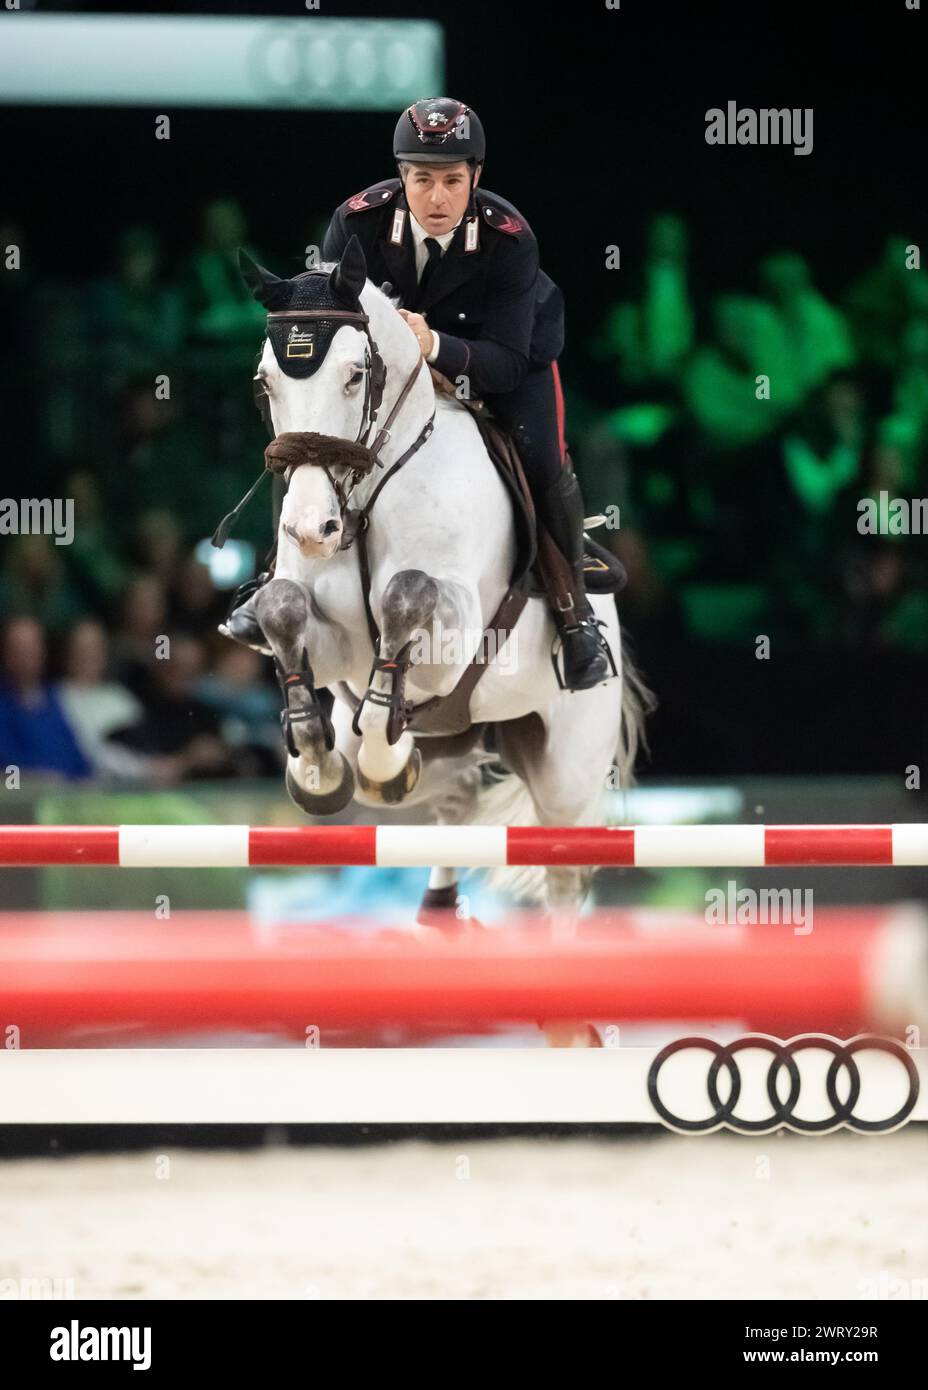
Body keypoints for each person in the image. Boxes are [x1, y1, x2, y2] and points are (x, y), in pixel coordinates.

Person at [229, 98, 612, 691]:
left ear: (476, 178)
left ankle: (573, 613)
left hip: (508, 354)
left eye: (453, 181)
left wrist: (434, 347)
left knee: (541, 454)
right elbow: (339, 330)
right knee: (311, 439)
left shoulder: (510, 239)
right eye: (423, 179)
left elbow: (506, 362)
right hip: (394, 362)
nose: (437, 198)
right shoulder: (357, 221)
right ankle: (274, 578)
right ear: (401, 176)